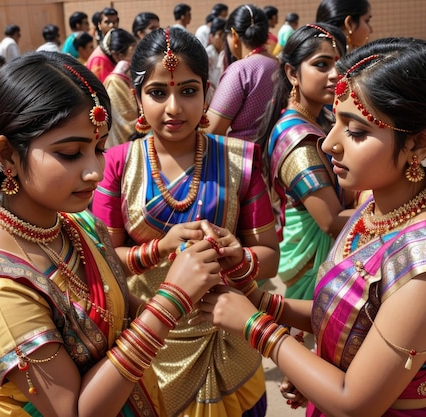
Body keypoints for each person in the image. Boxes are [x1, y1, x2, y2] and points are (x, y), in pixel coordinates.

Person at [196, 37, 426, 416]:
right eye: (336, 122)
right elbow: (347, 314)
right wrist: (258, 300)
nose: (329, 143)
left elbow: (354, 401)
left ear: (419, 144)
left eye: (357, 131)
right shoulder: (373, 208)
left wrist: (256, 327)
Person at [0, 50, 223, 417]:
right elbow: (73, 411)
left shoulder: (76, 225)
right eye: (72, 153)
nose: (94, 170)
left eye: (99, 148)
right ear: (8, 155)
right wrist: (170, 300)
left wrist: (197, 286)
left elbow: (120, 315)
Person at [91, 27, 279, 417]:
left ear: (208, 92)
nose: (174, 107)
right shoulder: (117, 164)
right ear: (137, 97)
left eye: (188, 91)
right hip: (152, 349)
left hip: (229, 343)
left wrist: (236, 257)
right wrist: (159, 248)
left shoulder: (240, 160)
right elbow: (104, 260)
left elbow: (269, 257)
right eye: (158, 92)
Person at [257, 23, 354, 301]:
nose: (336, 75)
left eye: (339, 64)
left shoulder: (317, 120)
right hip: (311, 266)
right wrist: (396, 214)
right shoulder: (297, 139)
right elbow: (331, 221)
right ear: (292, 73)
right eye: (321, 64)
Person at [206, 4, 276, 144]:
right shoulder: (280, 65)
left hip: (244, 157)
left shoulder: (240, 70)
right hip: (275, 151)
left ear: (234, 35)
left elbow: (211, 130)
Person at [102, 28, 137, 148]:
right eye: (133, 50)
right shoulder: (114, 82)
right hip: (122, 147)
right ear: (118, 56)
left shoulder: (127, 76)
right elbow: (125, 122)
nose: (136, 55)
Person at [205, 17, 226, 105]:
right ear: (211, 37)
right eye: (220, 35)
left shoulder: (225, 54)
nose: (223, 39)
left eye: (225, 35)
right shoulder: (208, 54)